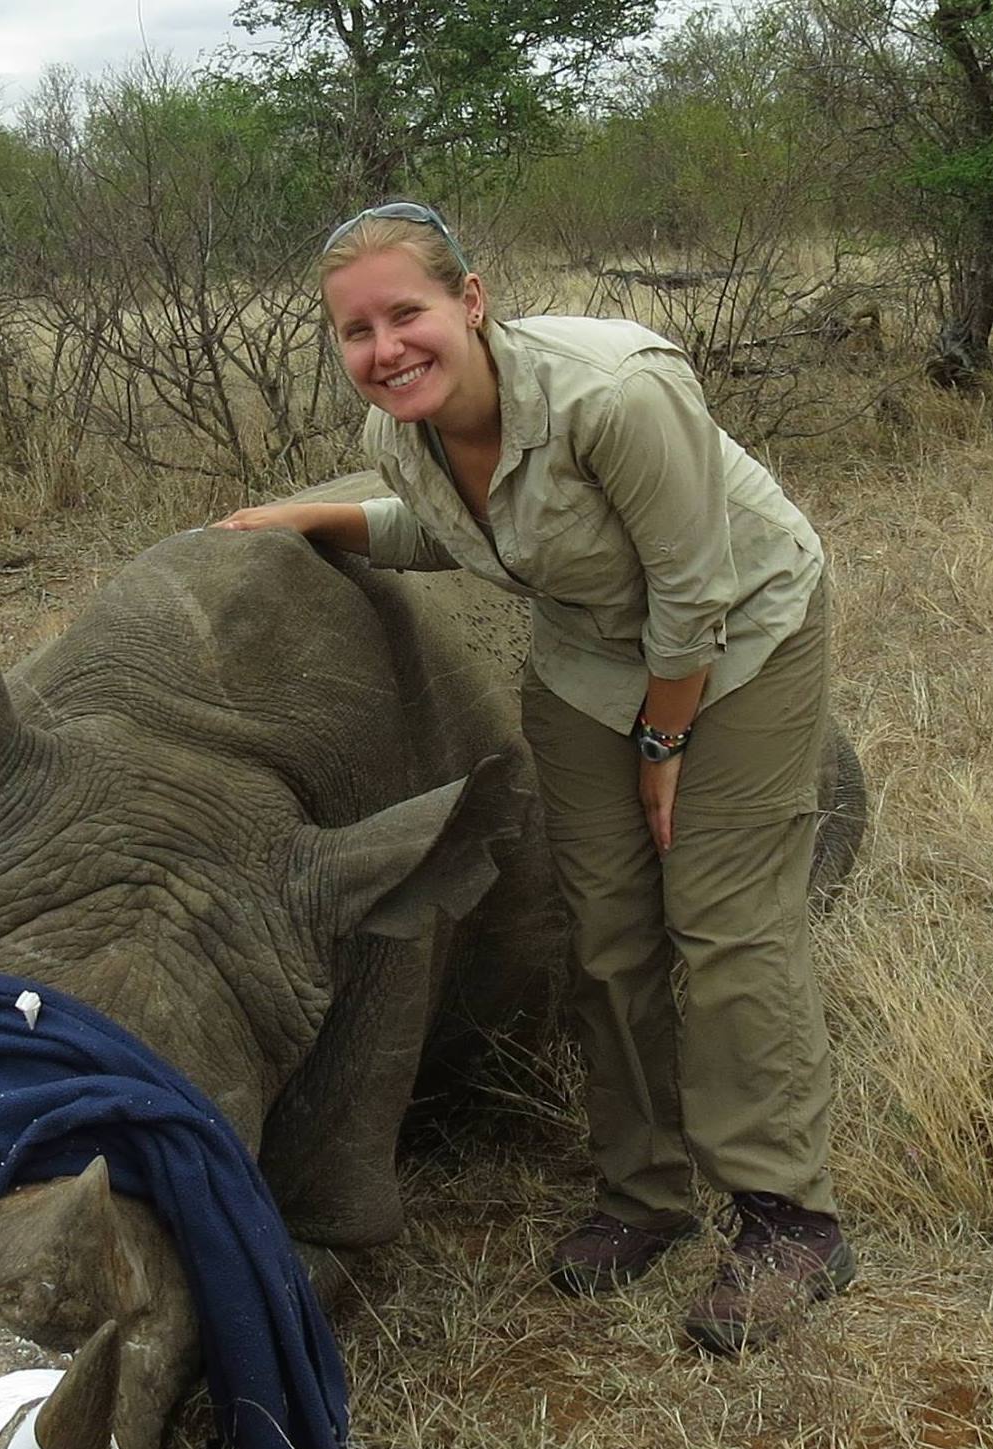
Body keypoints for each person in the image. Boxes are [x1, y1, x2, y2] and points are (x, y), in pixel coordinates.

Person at [213, 201, 855, 1354]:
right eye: (355, 332)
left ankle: (785, 1215)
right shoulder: (397, 436)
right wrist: (305, 522)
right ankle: (644, 1192)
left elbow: (694, 586)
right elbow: (456, 533)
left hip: (739, 632)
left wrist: (664, 748)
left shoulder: (613, 389)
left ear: (469, 301)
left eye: (405, 313)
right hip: (587, 660)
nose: (384, 349)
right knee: (605, 927)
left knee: (721, 920)